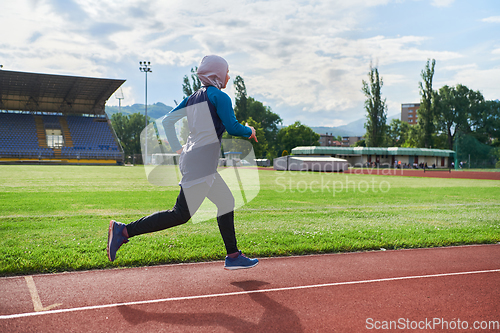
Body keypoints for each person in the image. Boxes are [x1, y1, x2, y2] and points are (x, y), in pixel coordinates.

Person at [107, 55, 259, 270]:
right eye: (226, 71)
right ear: (217, 73)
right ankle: (123, 231)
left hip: (194, 158)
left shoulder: (193, 97)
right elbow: (233, 127)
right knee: (180, 214)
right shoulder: (220, 97)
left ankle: (233, 255)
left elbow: (169, 120)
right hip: (201, 162)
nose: (228, 75)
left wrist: (178, 147)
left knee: (225, 202)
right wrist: (249, 130)